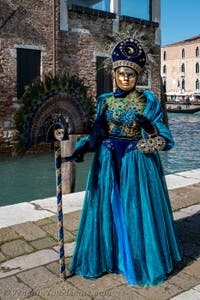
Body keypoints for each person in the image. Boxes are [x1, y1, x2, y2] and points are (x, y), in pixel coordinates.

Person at [69, 37, 182, 286]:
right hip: (108, 160)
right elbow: (98, 133)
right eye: (122, 73)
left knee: (135, 209)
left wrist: (150, 128)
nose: (126, 79)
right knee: (108, 207)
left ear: (137, 76)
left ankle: (138, 259)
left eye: (131, 74)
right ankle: (109, 256)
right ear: (114, 73)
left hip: (135, 161)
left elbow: (165, 139)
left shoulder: (147, 101)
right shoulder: (105, 101)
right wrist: (80, 149)